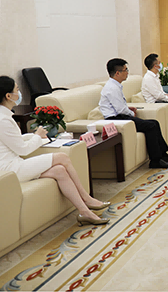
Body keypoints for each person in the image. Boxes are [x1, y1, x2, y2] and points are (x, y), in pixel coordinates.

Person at [0, 76, 109, 226]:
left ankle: (84, 212)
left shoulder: (5, 116)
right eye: (17, 90)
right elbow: (22, 150)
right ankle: (87, 198)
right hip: (10, 170)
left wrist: (35, 137)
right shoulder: (3, 120)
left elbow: (13, 142)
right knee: (62, 158)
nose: (19, 93)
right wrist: (37, 136)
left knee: (59, 171)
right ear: (8, 96)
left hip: (14, 165)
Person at [100, 58, 168, 169]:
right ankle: (155, 160)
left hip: (120, 116)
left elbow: (119, 106)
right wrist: (131, 114)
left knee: (154, 123)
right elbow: (120, 110)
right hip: (116, 119)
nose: (127, 72)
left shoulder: (115, 86)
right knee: (151, 126)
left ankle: (163, 155)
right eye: (125, 70)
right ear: (117, 73)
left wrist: (128, 109)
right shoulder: (112, 88)